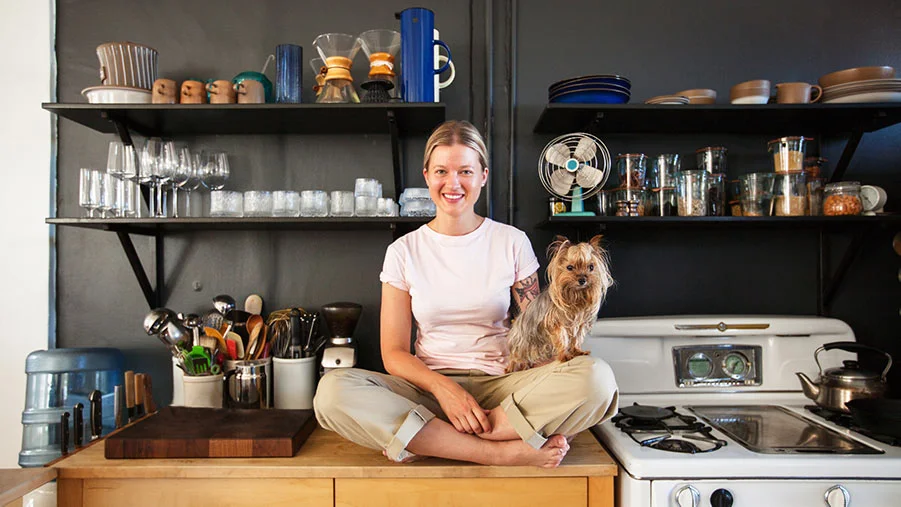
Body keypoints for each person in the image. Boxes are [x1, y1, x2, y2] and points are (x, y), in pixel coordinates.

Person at [314, 120, 618, 468]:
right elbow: (394, 353)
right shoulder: (403, 251)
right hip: (427, 392)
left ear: (483, 176)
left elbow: (540, 330)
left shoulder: (511, 242)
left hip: (506, 388)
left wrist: (563, 387)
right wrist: (445, 390)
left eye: (465, 171)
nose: (453, 183)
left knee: (597, 378)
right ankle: (500, 450)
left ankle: (435, 440)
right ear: (426, 175)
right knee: (332, 392)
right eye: (442, 170)